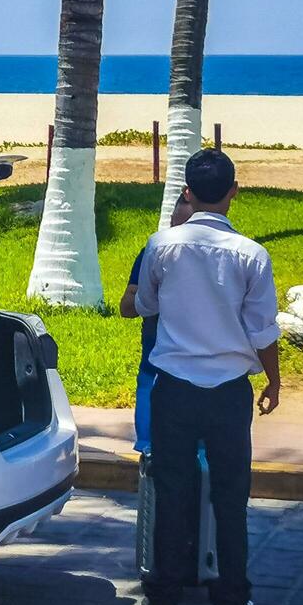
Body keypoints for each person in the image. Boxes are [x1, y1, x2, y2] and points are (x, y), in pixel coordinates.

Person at [135, 149, 281, 605]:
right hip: (228, 391)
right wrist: (275, 382)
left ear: (187, 193)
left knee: (172, 490)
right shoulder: (252, 255)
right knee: (231, 494)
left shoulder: (162, 246)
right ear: (234, 193)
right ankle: (232, 597)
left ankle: (163, 594)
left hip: (173, 386)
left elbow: (146, 305)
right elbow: (262, 331)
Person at [120, 193, 194, 454]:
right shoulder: (153, 252)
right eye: (179, 226)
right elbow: (126, 307)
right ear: (171, 220)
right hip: (156, 360)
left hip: (199, 371)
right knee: (151, 454)